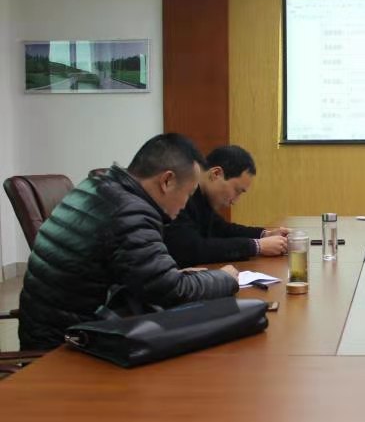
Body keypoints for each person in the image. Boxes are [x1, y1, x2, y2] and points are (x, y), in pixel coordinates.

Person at [18, 133, 240, 351]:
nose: (185, 204)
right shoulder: (129, 211)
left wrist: (172, 276)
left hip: (52, 329)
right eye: (188, 194)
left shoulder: (99, 187)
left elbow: (140, 275)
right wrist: (224, 278)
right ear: (167, 181)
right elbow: (172, 292)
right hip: (68, 345)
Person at [164, 145, 288, 268]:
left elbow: (223, 229)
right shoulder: (179, 197)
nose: (235, 201)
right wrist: (257, 246)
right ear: (216, 174)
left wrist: (264, 235)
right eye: (237, 190)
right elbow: (191, 249)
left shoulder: (202, 198)